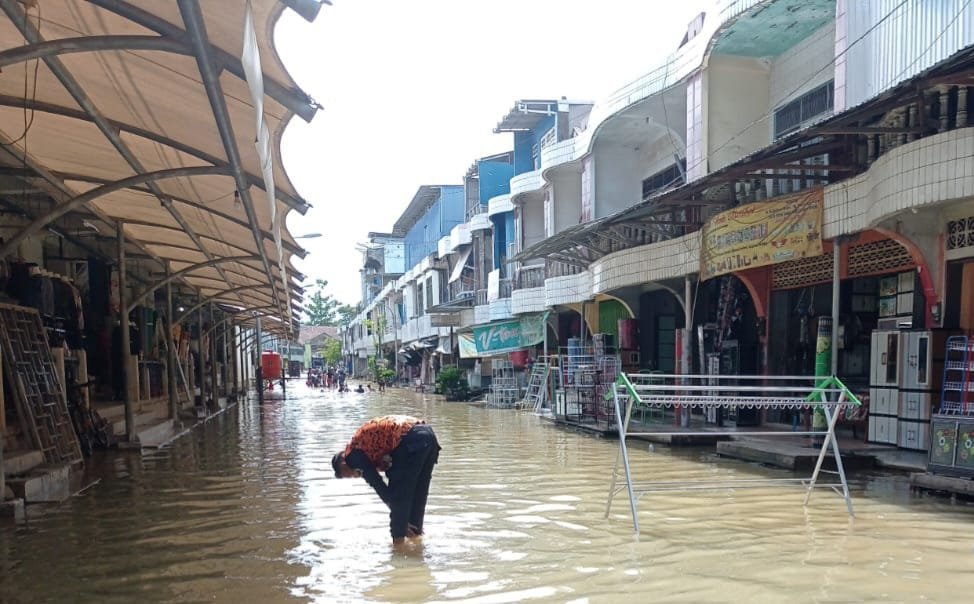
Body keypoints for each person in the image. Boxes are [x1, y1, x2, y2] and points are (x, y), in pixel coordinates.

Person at [332, 415, 441, 544]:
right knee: (418, 496)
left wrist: (399, 519)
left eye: (349, 475)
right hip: (428, 437)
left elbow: (380, 487)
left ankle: (398, 554)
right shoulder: (364, 449)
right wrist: (401, 515)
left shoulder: (352, 456)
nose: (355, 476)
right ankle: (417, 542)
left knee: (398, 500)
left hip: (410, 441)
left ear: (343, 465)